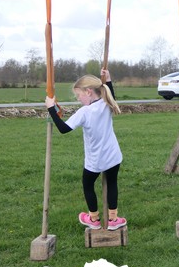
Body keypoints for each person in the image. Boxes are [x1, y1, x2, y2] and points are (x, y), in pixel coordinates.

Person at [44, 68, 126, 230]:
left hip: (95, 160)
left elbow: (64, 129)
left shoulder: (84, 112)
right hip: (113, 156)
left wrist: (51, 108)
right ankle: (113, 219)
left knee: (87, 185)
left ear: (88, 92)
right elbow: (111, 94)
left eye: (79, 95)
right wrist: (108, 80)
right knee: (112, 183)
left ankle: (94, 219)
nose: (78, 99)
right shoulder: (106, 103)